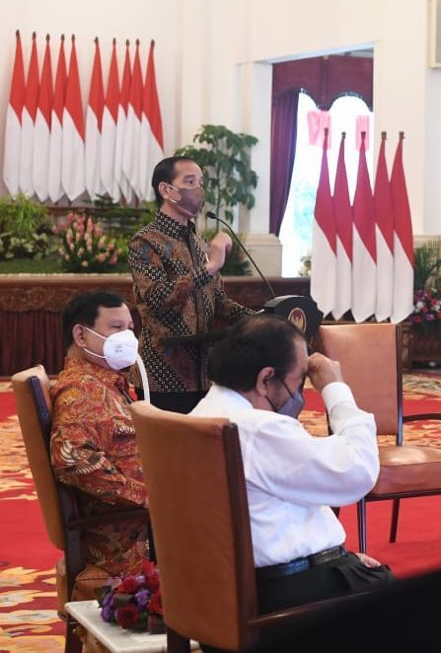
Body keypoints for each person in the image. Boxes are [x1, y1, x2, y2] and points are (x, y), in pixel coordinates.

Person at [190, 314, 393, 615]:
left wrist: (338, 558)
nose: (299, 396)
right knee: (426, 609)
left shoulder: (199, 414)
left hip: (220, 589)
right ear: (265, 379)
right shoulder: (257, 429)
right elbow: (357, 473)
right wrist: (336, 390)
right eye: (298, 380)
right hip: (285, 592)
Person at [128, 156, 256, 414]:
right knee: (171, 452)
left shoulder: (199, 242)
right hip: (163, 374)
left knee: (203, 450)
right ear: (166, 190)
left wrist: (262, 319)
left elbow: (219, 302)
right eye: (189, 181)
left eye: (201, 182)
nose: (198, 189)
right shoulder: (145, 242)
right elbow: (159, 298)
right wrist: (210, 267)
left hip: (206, 371)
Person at [49, 291, 148, 577]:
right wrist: (148, 497)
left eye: (130, 328)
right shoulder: (80, 391)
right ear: (81, 336)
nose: (128, 337)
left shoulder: (105, 383)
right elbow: (71, 460)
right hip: (129, 536)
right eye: (116, 328)